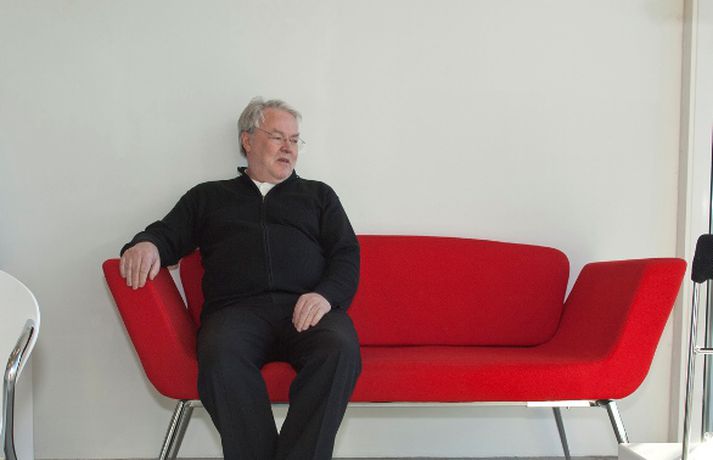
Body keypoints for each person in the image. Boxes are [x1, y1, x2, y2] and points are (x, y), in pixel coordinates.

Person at [118, 97, 361, 460]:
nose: (288, 148)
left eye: (294, 140)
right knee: (220, 355)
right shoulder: (209, 197)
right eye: (277, 137)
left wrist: (324, 296)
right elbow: (167, 234)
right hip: (236, 313)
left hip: (307, 310)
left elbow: (346, 255)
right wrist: (146, 244)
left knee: (339, 350)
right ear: (248, 140)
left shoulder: (319, 196)